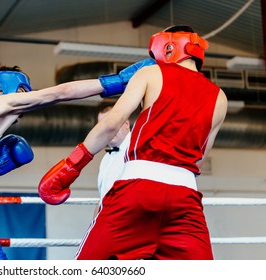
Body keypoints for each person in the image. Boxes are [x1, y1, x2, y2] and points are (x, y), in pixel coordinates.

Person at [0, 58, 155, 260]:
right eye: (23, 91)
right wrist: (118, 82)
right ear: (2, 88)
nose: (25, 100)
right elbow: (59, 93)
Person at [38, 25, 228, 260]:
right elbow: (200, 157)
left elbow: (111, 123)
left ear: (168, 46)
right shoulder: (220, 97)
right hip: (186, 199)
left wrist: (72, 165)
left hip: (138, 190)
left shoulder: (151, 74)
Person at [94, 105, 131, 216]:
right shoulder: (106, 160)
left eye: (111, 124)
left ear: (126, 124)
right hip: (109, 224)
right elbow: (102, 199)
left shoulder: (138, 149)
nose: (107, 130)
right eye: (102, 126)